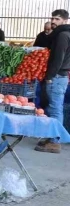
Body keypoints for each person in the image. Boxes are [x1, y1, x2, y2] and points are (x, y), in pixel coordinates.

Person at [35, 9, 70, 154]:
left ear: (64, 20)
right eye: (53, 18)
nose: (53, 22)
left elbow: (58, 58)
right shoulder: (64, 34)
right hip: (61, 75)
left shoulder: (62, 35)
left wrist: (49, 77)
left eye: (57, 19)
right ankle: (51, 138)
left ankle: (55, 142)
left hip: (57, 76)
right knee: (52, 107)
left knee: (55, 109)